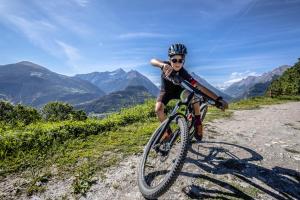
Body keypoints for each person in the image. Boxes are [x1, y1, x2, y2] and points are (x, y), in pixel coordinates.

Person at [151, 43, 228, 141]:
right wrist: (162, 65)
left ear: (184, 61)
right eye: (174, 60)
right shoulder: (166, 66)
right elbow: (152, 61)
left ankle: (198, 122)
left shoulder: (184, 73)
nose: (177, 63)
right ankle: (167, 132)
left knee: (194, 97)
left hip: (180, 92)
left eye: (180, 60)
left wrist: (218, 99)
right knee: (158, 109)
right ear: (170, 60)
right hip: (166, 92)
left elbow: (200, 87)